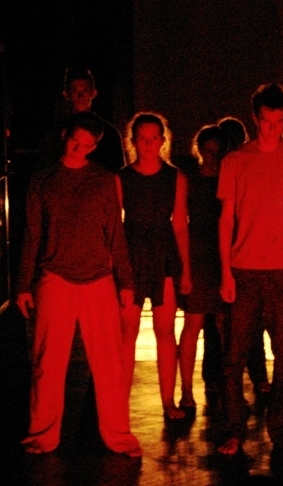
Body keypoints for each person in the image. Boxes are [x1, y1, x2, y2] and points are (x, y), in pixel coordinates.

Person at [15, 111, 141, 456]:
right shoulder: (42, 180)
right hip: (54, 277)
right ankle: (42, 434)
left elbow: (115, 233)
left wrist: (126, 282)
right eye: (74, 141)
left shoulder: (103, 180)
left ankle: (119, 436)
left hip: (98, 278)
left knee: (110, 364)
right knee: (47, 363)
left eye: (86, 145)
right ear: (64, 135)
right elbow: (32, 234)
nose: (77, 149)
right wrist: (23, 284)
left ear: (94, 146)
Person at [217, 83, 283, 456]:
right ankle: (234, 430)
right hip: (245, 268)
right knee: (234, 356)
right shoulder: (236, 161)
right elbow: (226, 219)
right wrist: (226, 271)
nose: (272, 128)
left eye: (278, 121)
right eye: (266, 121)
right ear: (255, 119)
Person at [119, 112, 192, 420]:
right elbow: (114, 227)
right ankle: (119, 405)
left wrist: (185, 270)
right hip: (132, 255)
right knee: (127, 333)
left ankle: (168, 402)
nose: (148, 144)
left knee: (165, 331)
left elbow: (180, 226)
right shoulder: (121, 178)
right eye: (142, 139)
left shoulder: (175, 178)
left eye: (153, 138)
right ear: (134, 141)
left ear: (162, 141)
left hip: (164, 255)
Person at [217, 115, 271, 407]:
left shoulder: (242, 166)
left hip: (244, 255)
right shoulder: (232, 167)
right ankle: (233, 383)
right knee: (236, 327)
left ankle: (251, 379)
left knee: (244, 326)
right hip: (232, 256)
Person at [177, 125, 227, 413]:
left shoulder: (228, 179)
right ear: (199, 150)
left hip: (222, 257)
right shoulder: (190, 181)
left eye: (217, 151)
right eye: (208, 150)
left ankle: (226, 385)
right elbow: (181, 223)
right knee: (193, 325)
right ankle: (186, 389)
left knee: (224, 325)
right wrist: (185, 266)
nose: (212, 156)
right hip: (198, 255)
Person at [38, 66, 125, 172]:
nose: (80, 95)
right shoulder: (54, 133)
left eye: (85, 91)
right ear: (66, 94)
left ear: (94, 93)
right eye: (74, 91)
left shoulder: (110, 134)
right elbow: (44, 170)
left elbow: (117, 174)